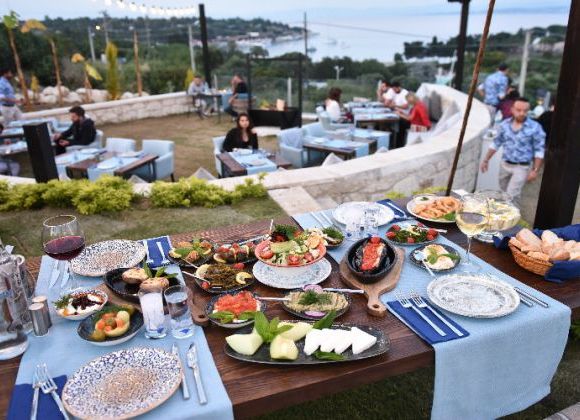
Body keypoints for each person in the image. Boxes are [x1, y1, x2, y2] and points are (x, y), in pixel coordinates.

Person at [480, 97, 545, 204]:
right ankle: (514, 211)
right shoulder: (504, 125)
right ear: (512, 109)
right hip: (505, 165)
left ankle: (509, 213)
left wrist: (535, 170)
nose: (522, 113)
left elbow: (539, 150)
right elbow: (496, 144)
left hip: (521, 167)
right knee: (505, 193)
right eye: (519, 110)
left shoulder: (535, 127)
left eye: (525, 111)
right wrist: (486, 160)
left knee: (511, 195)